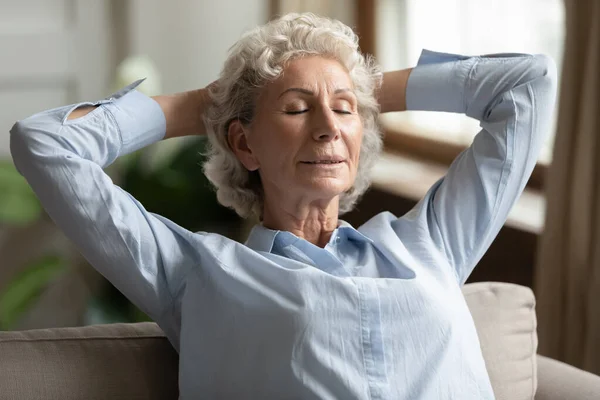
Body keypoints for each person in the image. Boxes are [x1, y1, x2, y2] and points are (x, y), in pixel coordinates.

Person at [10, 12, 557, 400]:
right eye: (296, 109)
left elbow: (526, 86)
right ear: (244, 144)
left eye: (344, 113)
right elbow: (46, 144)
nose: (327, 129)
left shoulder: (430, 242)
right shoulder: (196, 274)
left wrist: (358, 86)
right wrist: (207, 103)